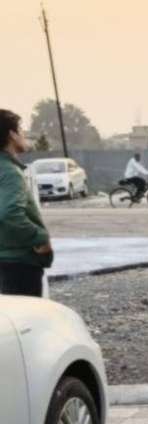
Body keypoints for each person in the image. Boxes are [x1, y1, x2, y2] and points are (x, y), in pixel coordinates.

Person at [0, 109, 52, 296]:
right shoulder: (10, 172)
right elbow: (9, 214)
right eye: (21, 130)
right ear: (12, 135)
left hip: (6, 260)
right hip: (19, 264)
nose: (23, 135)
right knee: (27, 313)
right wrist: (40, 238)